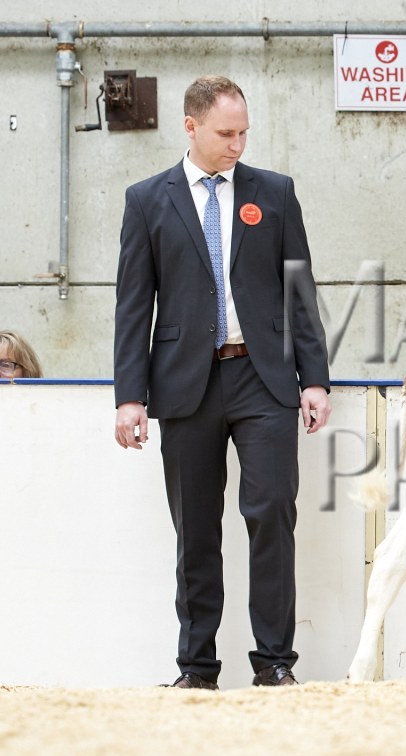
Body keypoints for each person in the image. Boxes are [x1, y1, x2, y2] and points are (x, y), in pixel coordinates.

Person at [113, 76, 331, 690]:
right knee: (196, 528)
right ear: (190, 126)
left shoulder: (275, 193)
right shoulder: (146, 200)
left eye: (244, 133)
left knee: (272, 514)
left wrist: (314, 378)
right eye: (225, 133)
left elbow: (299, 291)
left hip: (264, 380)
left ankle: (275, 663)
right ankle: (197, 668)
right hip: (186, 383)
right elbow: (134, 305)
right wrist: (130, 395)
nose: (237, 144)